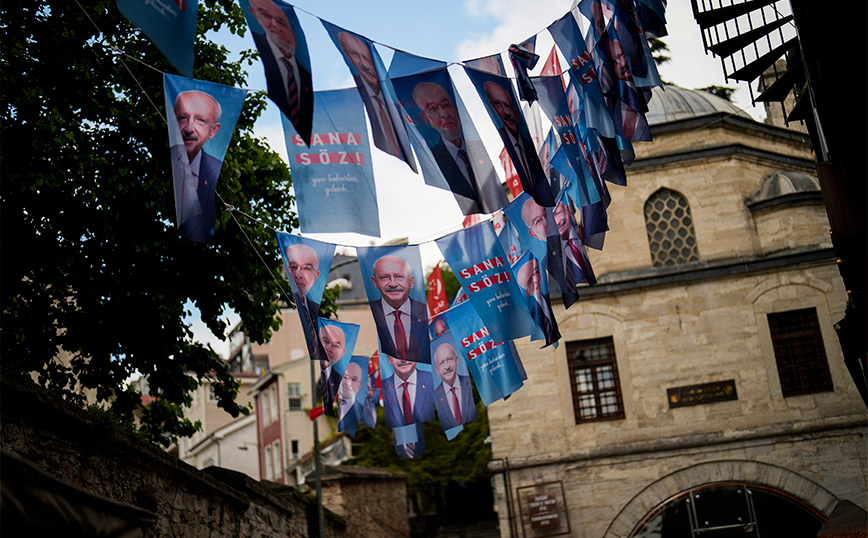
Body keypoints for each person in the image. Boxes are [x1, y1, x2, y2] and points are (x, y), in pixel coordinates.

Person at [412, 81, 507, 215]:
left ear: (455, 108)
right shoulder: (434, 161)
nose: (444, 113)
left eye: (446, 105)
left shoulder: (476, 146)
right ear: (426, 118)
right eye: (433, 108)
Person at [337, 31, 413, 166]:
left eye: (366, 58)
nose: (364, 64)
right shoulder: (349, 103)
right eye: (355, 55)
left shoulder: (396, 101)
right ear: (346, 53)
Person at [247, 0, 313, 142]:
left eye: (281, 22)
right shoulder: (264, 45)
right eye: (266, 15)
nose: (275, 25)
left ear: (293, 36)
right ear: (255, 14)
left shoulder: (304, 75)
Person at [483, 81, 553, 207]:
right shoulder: (511, 151)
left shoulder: (529, 143)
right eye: (498, 104)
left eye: (507, 106)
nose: (505, 112)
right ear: (492, 108)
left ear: (515, 112)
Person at [173, 90, 223, 242]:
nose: (189, 128)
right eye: (183, 118)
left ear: (213, 130)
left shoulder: (215, 170)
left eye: (200, 120)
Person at [369, 255, 429, 364]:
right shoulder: (369, 312)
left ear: (411, 281)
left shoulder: (426, 311)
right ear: (375, 282)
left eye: (399, 276)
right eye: (385, 277)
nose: (392, 283)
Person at [285, 243, 325, 361]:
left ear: (316, 276)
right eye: (293, 267)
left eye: (306, 268)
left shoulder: (314, 307)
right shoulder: (298, 303)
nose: (298, 275)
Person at [381, 354, 435, 428]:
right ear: (389, 359)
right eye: (397, 355)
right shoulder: (381, 388)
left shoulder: (434, 380)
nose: (403, 360)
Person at [432, 343, 476, 429]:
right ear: (437, 370)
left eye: (449, 359)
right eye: (442, 363)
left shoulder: (470, 381)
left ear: (456, 360)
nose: (447, 366)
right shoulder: (435, 395)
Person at [517, 258, 560, 346]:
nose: (535, 280)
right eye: (530, 281)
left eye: (536, 272)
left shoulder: (545, 299)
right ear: (528, 292)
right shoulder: (533, 314)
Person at [318, 324, 345, 415]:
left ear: (342, 353)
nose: (329, 348)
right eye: (325, 341)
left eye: (336, 345)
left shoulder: (341, 378)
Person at [337, 362, 363, 434]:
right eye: (345, 377)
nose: (348, 383)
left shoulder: (363, 411)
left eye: (354, 379)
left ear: (359, 386)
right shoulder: (329, 404)